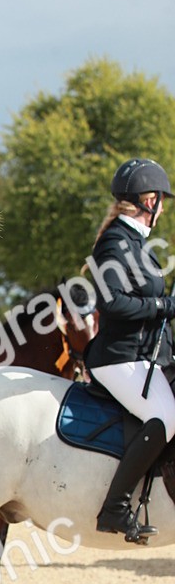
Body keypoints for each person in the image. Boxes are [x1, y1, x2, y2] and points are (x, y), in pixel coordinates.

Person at [83, 157, 175, 542]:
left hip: (144, 354)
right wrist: (163, 306)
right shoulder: (115, 244)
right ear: (149, 200)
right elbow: (112, 303)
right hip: (117, 358)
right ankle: (115, 507)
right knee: (165, 416)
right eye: (161, 200)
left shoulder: (136, 243)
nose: (164, 208)